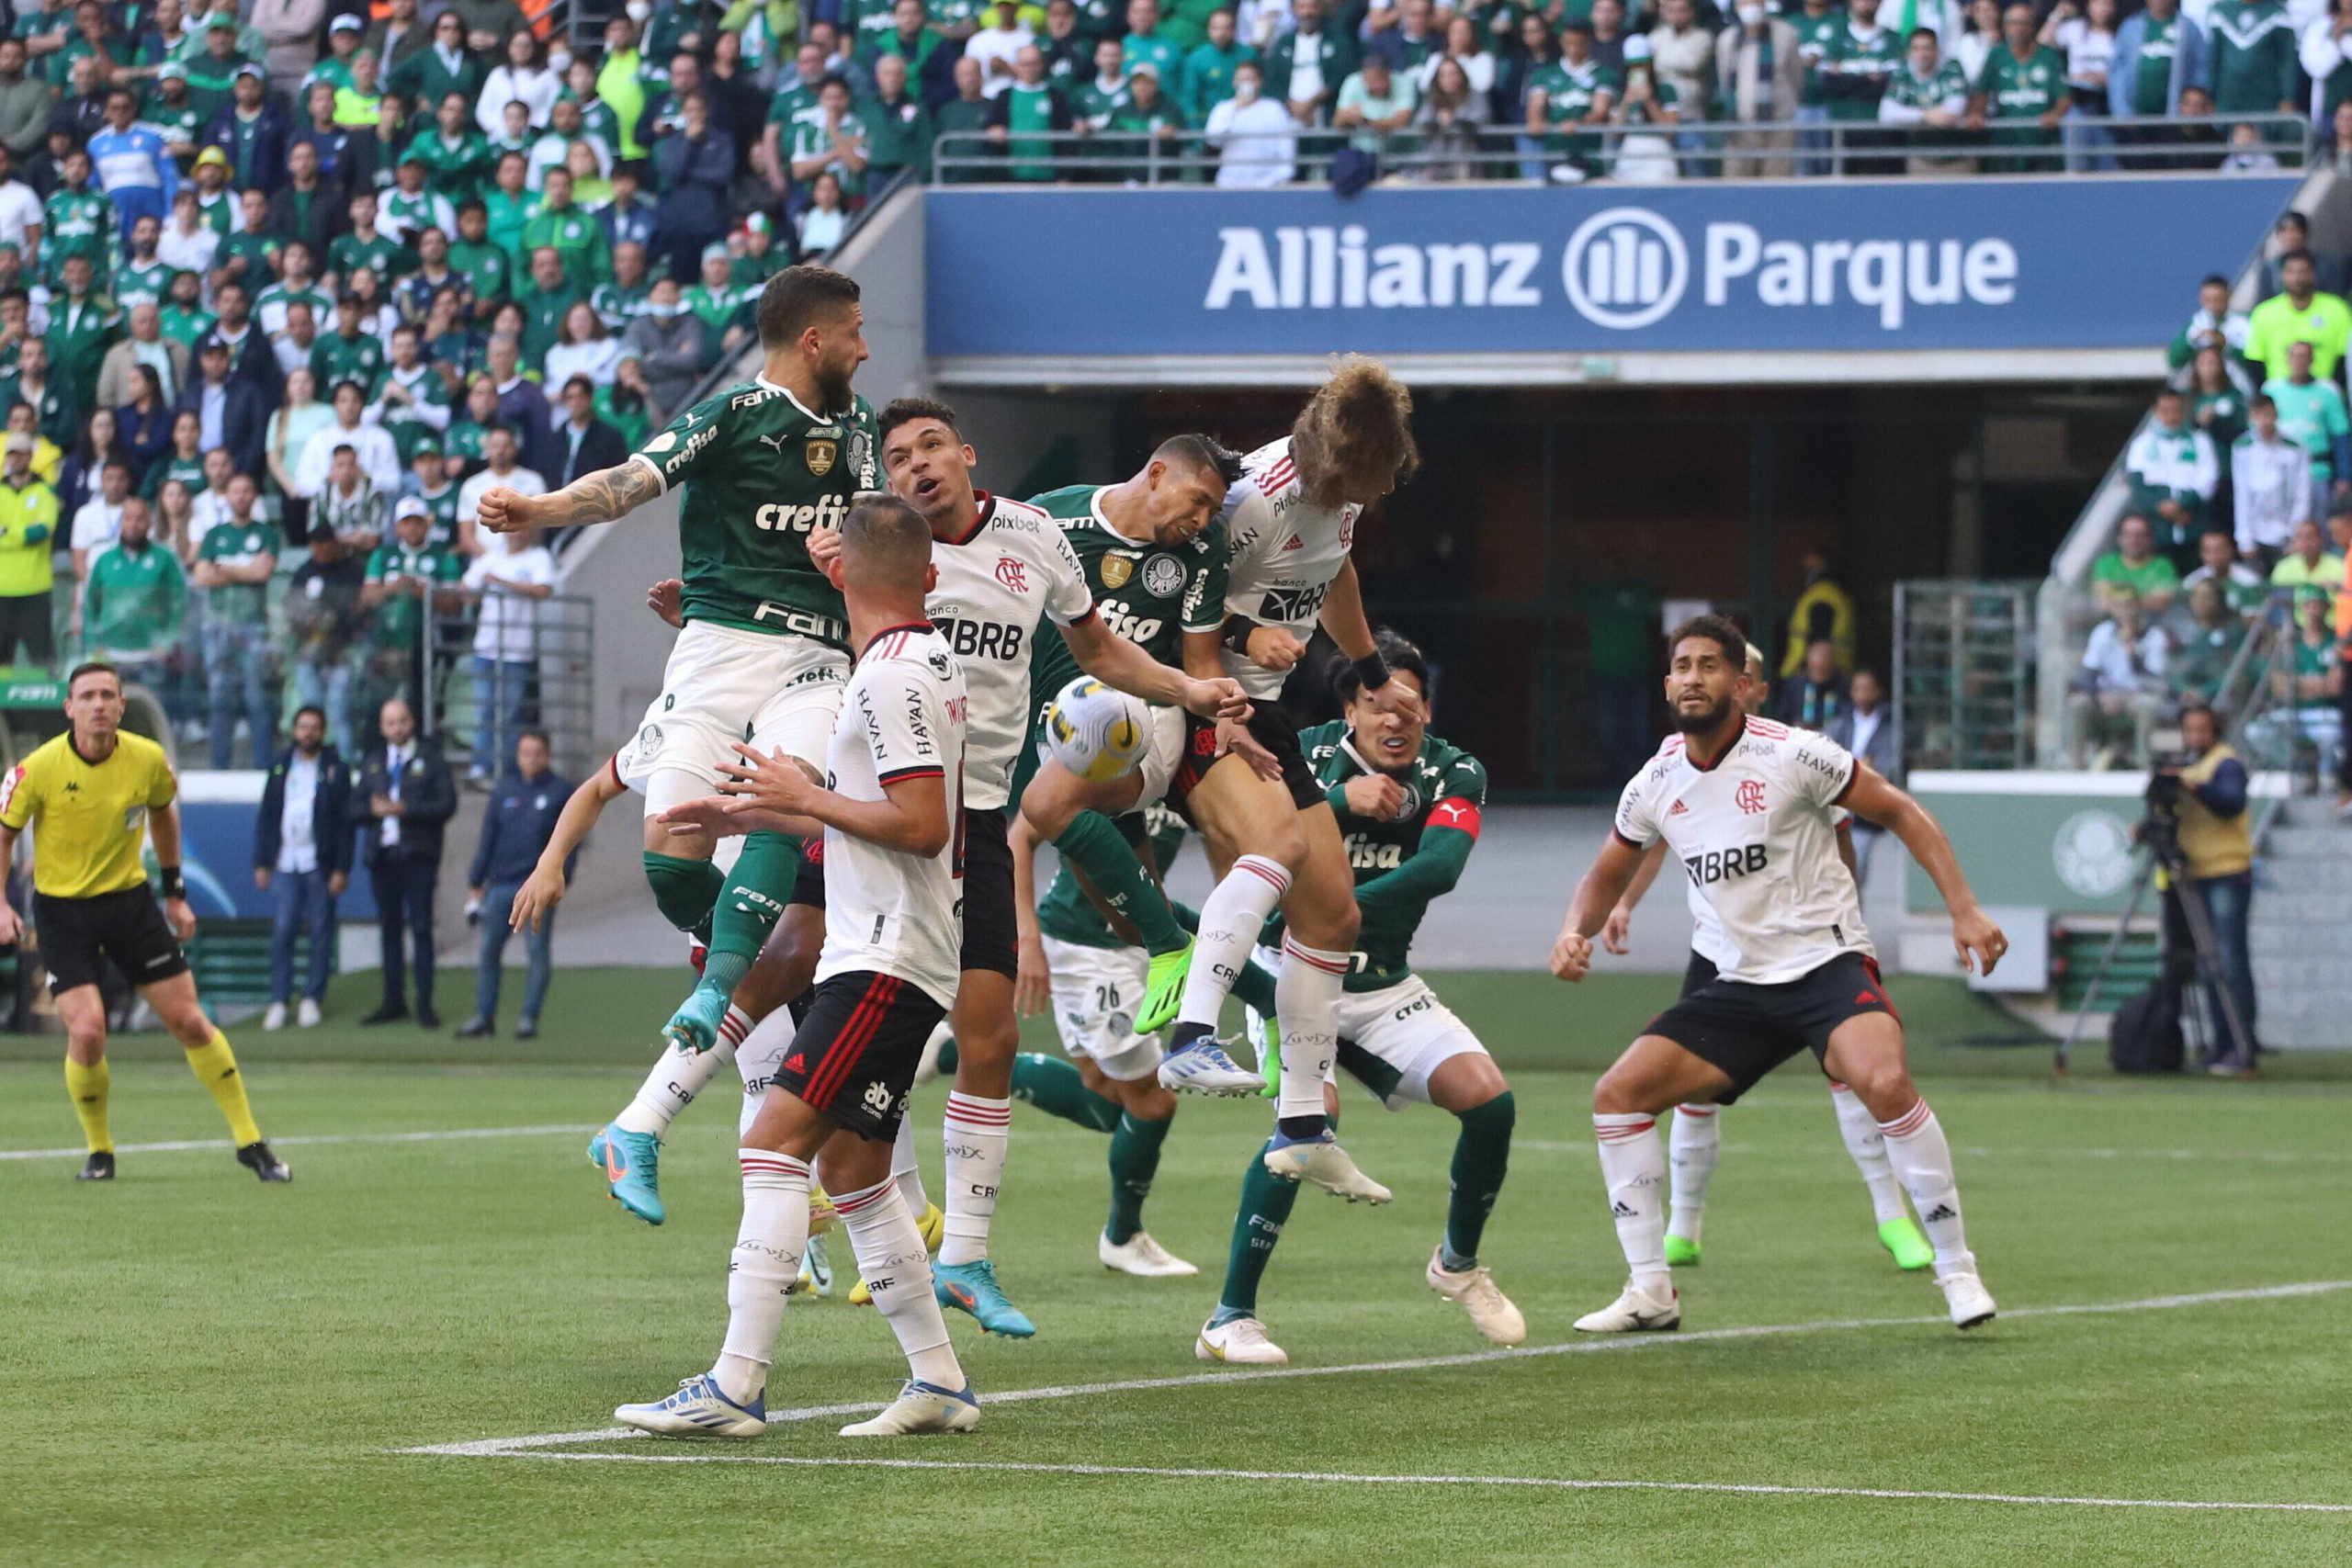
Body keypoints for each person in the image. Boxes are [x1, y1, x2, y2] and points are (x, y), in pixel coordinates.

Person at [613, 495, 981, 1442]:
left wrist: (804, 793)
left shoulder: (889, 678)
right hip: (898, 947)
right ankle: (938, 1381)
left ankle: (735, 1385)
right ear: (927, 576)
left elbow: (922, 823)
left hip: (885, 954)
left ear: (839, 577)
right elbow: (867, 810)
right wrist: (752, 814)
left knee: (773, 1141)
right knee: (856, 1170)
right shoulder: (908, 663)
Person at [1550, 615, 2005, 1335]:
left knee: (1883, 1083)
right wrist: (1575, 930)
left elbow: (1903, 812)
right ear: (1667, 683)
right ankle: (1652, 1289)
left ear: (1742, 683)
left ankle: (1956, 1268)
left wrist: (1965, 910)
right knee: (1618, 1095)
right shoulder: (1656, 779)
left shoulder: (1797, 753)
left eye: (1708, 665)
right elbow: (1610, 866)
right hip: (1737, 985)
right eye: (1682, 665)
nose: (1693, 677)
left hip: (1826, 966)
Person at [475, 266, 876, 1078]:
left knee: (781, 788)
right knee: (668, 853)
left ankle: (720, 989)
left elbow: (879, 534)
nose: (865, 350)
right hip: (716, 648)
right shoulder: (730, 417)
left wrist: (857, 551)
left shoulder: (859, 428)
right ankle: (750, 960)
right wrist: (540, 510)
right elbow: (631, 483)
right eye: (854, 334)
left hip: (815, 651)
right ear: (812, 340)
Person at [1202, 634, 1521, 1364]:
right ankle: (1231, 1315)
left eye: (1410, 702)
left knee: (1491, 1101)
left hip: (1382, 985)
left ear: (1428, 710)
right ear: (1351, 708)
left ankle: (1459, 1264)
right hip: (1290, 971)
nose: (1395, 717)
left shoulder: (1454, 769)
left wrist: (1336, 907)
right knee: (1309, 1127)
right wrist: (1339, 804)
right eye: (1378, 702)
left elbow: (1441, 866)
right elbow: (1252, 834)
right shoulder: (1304, 755)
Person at [0, 662, 288, 1181]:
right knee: (87, 1032)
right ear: (69, 709)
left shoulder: (147, 759)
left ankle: (250, 1140)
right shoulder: (37, 769)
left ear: (122, 705)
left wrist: (175, 894)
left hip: (130, 904)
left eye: (108, 694)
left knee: (191, 1022)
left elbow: (163, 813)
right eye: (86, 696)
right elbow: (3, 835)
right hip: (63, 911)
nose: (99, 705)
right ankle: (100, 1150)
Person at [2161, 702, 2257, 1074]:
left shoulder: (2226, 763)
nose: (2196, 736)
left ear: (2215, 730)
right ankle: (2220, 1043)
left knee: (2229, 962)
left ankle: (2239, 1042)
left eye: (2203, 729)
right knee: (2208, 965)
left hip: (2227, 871)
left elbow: (2231, 804)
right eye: (2191, 730)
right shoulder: (2189, 767)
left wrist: (2196, 788)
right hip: (2196, 874)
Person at [458, 728, 571, 1039]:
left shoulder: (560, 791)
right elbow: (488, 839)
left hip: (536, 887)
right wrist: (475, 881)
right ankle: (484, 1016)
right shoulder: (504, 790)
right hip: (500, 885)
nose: (531, 759)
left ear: (546, 755)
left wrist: (561, 880)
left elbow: (568, 844)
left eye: (537, 753)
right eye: (525, 753)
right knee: (488, 950)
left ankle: (528, 1019)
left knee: (536, 952)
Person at [357, 696, 456, 1026]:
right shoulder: (372, 761)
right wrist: (372, 810)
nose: (396, 728)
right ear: (382, 727)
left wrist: (405, 809)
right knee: (389, 930)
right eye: (390, 722)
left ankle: (425, 1003)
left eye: (402, 721)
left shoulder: (430, 758)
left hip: (418, 855)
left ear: (411, 722)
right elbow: (352, 808)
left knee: (421, 929)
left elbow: (446, 805)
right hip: (382, 856)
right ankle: (393, 1000)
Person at [253, 703, 351, 1031]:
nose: (307, 732)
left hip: (318, 863)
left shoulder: (335, 769)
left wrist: (341, 868)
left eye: (313, 727)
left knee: (321, 930)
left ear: (322, 732)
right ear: (293, 730)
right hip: (285, 860)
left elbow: (344, 824)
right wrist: (262, 860)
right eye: (302, 726)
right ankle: (279, 1000)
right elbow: (267, 814)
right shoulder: (280, 766)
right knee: (284, 930)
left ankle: (312, 998)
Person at [458, 518, 553, 781]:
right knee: (485, 710)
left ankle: (510, 769)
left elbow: (544, 589)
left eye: (521, 527)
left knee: (511, 714)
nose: (516, 533)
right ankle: (482, 766)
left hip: (518, 650)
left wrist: (502, 582)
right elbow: (465, 590)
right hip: (486, 647)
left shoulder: (538, 557)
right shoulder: (492, 558)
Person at [192, 474, 277, 767]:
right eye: (235, 491)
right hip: (217, 626)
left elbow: (262, 573)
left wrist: (223, 568)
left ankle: (264, 767)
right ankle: (219, 767)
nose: (241, 496)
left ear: (254, 496)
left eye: (246, 490)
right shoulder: (215, 534)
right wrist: (244, 570)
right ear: (227, 496)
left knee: (257, 699)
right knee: (219, 700)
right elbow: (201, 576)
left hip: (253, 626)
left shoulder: (266, 533)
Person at [78, 498, 184, 690]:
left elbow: (180, 603)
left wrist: (168, 642)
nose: (133, 525)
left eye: (140, 519)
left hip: (152, 656)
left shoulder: (165, 558)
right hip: (111, 655)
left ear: (149, 523)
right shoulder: (105, 560)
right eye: (128, 519)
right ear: (120, 523)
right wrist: (93, 644)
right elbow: (90, 605)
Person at [2071, 585, 2168, 768]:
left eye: (2130, 605)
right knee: (2078, 703)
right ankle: (2076, 764)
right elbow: (2087, 675)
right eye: (2119, 606)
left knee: (2148, 705)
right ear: (2113, 609)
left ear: (2139, 606)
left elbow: (2155, 681)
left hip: (2137, 695)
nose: (2126, 612)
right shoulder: (2102, 633)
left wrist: (2133, 654)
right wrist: (2100, 695)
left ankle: (2144, 764)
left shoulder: (2155, 636)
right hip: (2107, 695)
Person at [2126, 387, 2221, 554]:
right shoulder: (2142, 445)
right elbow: (2137, 486)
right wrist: (2161, 507)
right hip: (2157, 533)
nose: (2171, 416)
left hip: (2194, 526)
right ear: (2156, 411)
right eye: (2165, 411)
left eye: (2176, 410)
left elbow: (2208, 480)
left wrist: (2181, 504)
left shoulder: (2200, 441)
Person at [0, 428, 59, 665]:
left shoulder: (45, 492)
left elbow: (42, 532)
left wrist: (6, 533)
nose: (15, 459)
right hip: (2, 589)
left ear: (30, 456)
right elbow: (32, 532)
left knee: (42, 659)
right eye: (11, 454)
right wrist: (23, 535)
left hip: (36, 587)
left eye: (20, 454)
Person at [1204, 60, 1295, 186]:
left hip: (1267, 183)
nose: (1245, 83)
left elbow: (1286, 146)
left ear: (1259, 82)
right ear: (1234, 82)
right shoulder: (1223, 108)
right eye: (1241, 79)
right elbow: (1213, 140)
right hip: (1230, 182)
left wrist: (1280, 178)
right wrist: (1236, 109)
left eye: (1250, 79)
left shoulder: (1274, 108)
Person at [2090, 512, 2180, 614]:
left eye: (2140, 535)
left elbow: (2162, 602)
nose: (2134, 540)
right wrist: (2141, 599)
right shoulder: (2106, 563)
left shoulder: (2163, 566)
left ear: (2150, 539)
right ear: (2119, 538)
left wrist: (2120, 597)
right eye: (2128, 535)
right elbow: (2101, 601)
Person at [1775, 636, 1848, 729]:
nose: (1819, 671)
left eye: (1823, 669)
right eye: (1816, 669)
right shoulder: (1795, 687)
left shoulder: (1842, 688)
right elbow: (1782, 718)